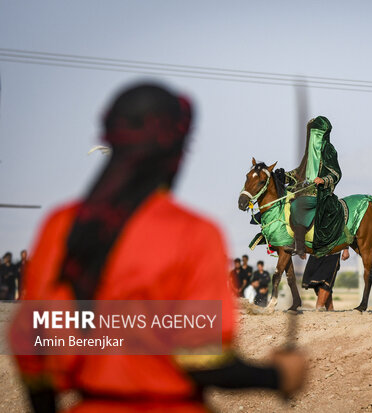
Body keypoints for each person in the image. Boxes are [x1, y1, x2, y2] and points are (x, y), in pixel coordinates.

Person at [13, 83, 307, 413]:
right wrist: (278, 375)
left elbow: (31, 351)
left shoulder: (60, 226)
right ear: (177, 150)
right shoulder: (194, 233)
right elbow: (204, 359)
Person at [288, 116, 345, 259]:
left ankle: (299, 246)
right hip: (302, 190)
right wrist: (284, 175)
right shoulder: (309, 153)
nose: (315, 137)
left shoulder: (329, 151)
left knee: (297, 206)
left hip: (319, 193)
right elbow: (298, 172)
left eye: (319, 134)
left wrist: (323, 180)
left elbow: (336, 174)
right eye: (314, 133)